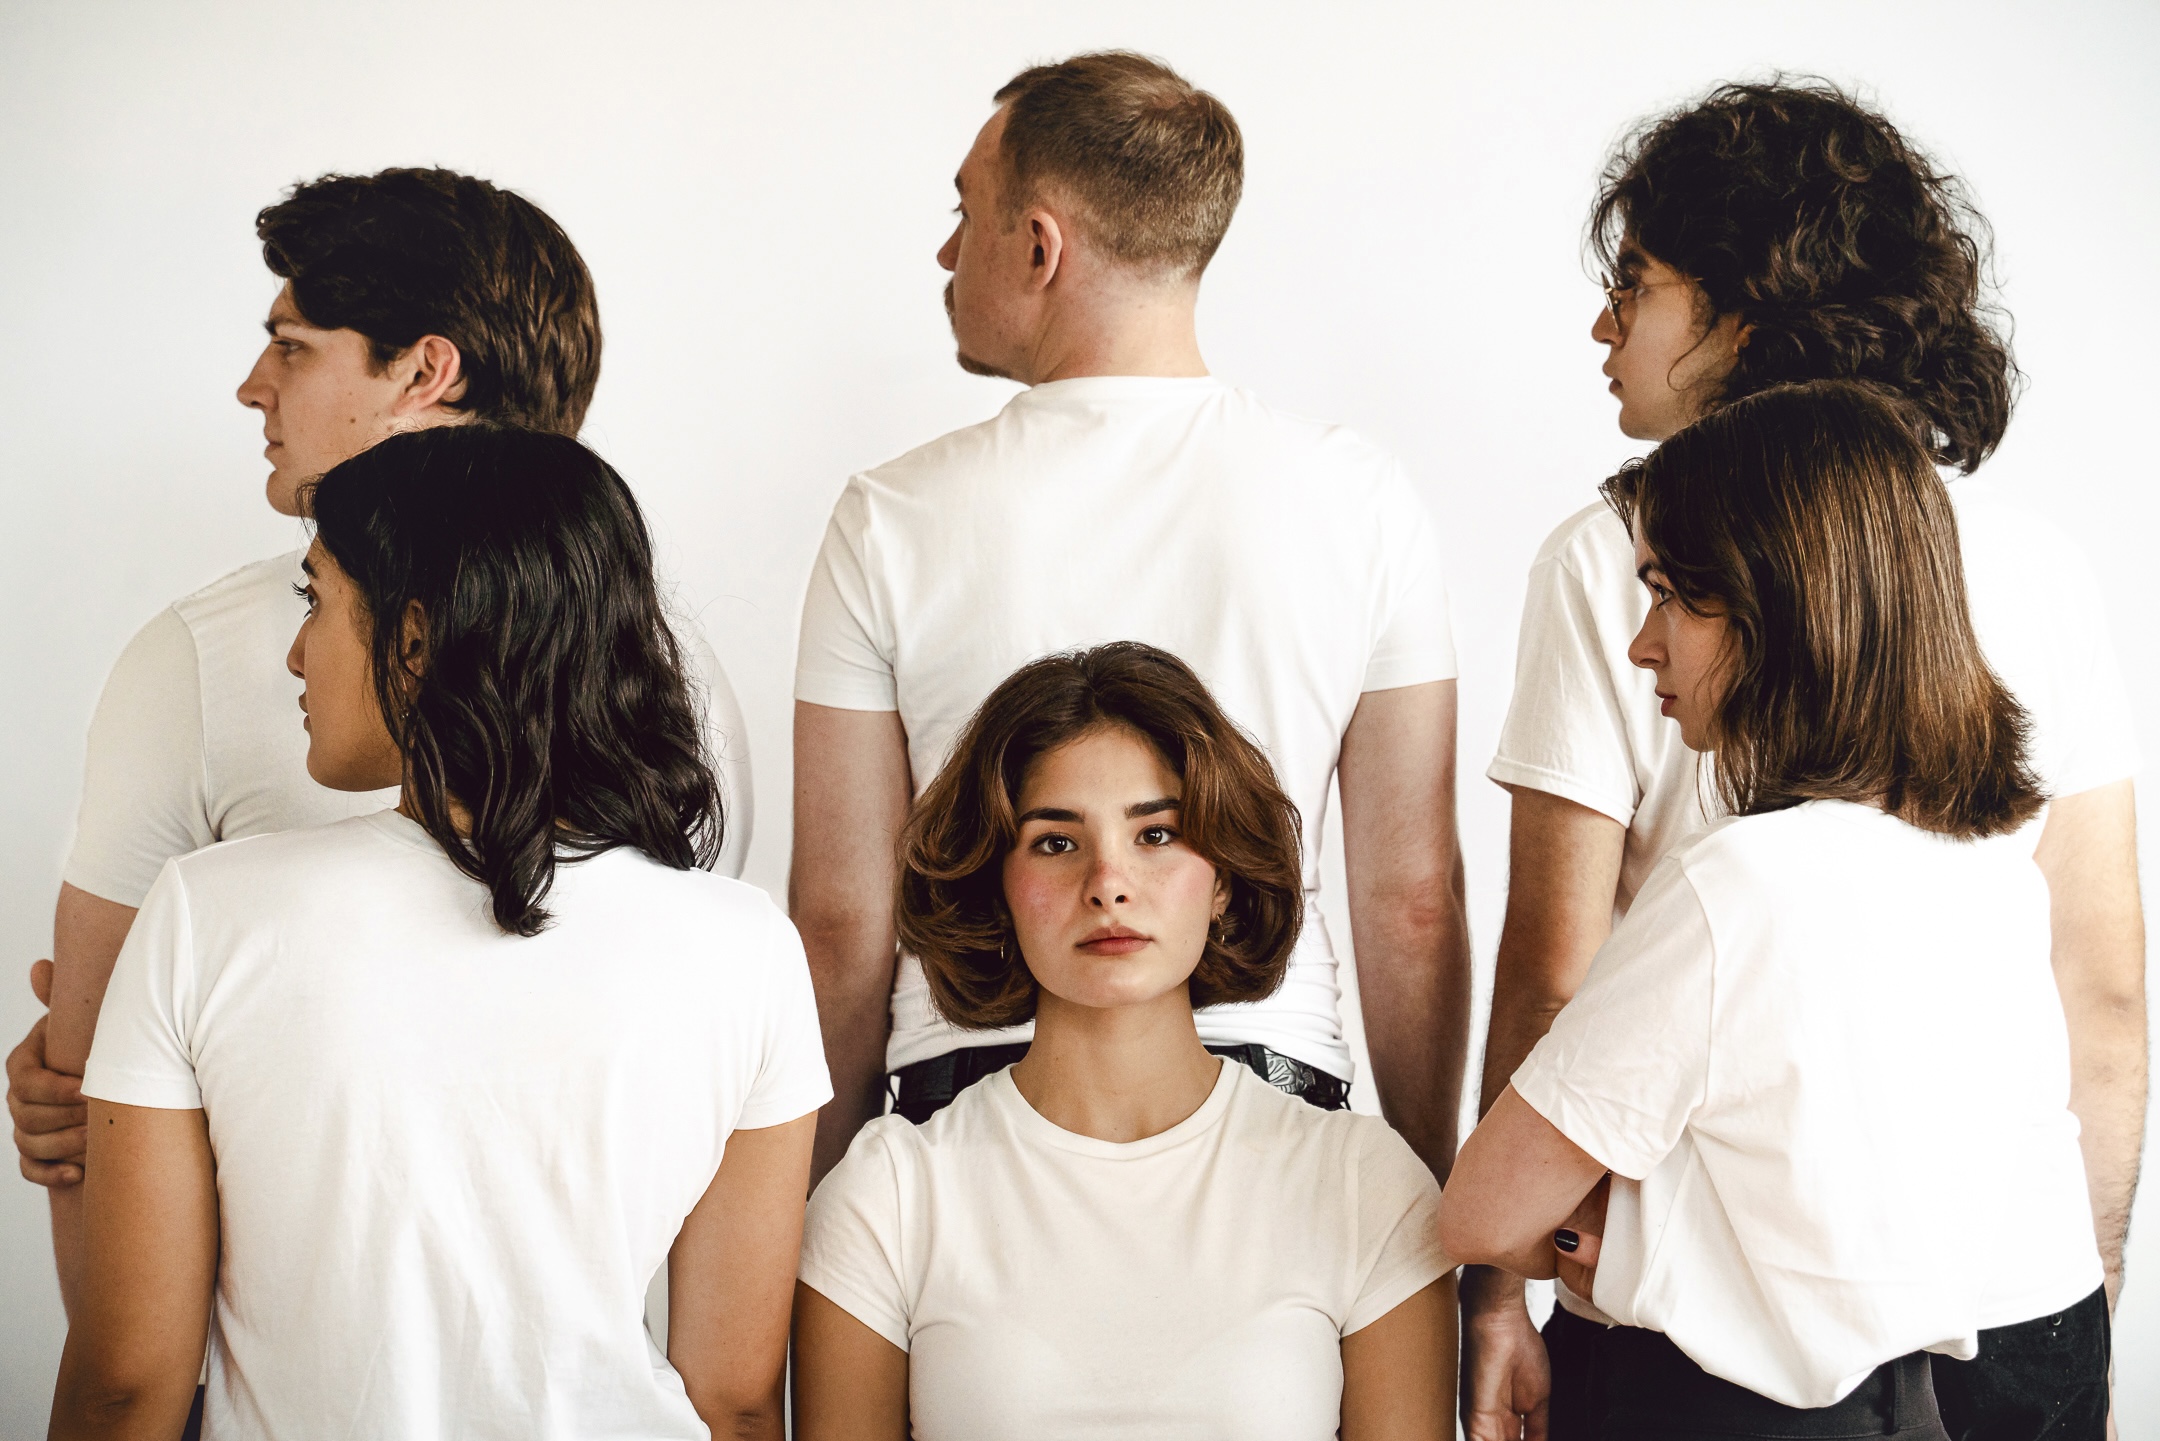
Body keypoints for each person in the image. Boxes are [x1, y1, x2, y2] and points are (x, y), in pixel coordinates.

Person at [1463, 82, 2139, 1441]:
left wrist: (1496, 1292)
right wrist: (2089, 1290)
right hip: (2026, 1298)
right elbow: (2105, 994)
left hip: (1728, 1339)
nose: (1607, 326)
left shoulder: (1621, 553)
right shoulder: (2044, 563)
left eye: (1639, 285)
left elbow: (1555, 969)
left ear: (1747, 312)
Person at [8, 166, 755, 1316]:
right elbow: (85, 1107)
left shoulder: (669, 688)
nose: (252, 386)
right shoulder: (201, 664)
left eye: (294, 346)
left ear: (425, 370)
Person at [48, 426, 828, 1441]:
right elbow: (733, 1396)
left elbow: (127, 1381)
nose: (294, 653)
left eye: (315, 600)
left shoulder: (208, 913)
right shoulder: (745, 948)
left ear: (414, 641)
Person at [793, 51, 1468, 1194]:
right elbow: (1410, 901)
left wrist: (824, 1197)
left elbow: (841, 913)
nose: (950, 252)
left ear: (1041, 245)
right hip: (1270, 1082)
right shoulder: (1358, 496)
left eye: (966, 213)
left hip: (975, 1080)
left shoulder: (891, 516)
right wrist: (1427, 1204)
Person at [792, 642, 1456, 1439]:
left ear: (1223, 880)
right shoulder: (887, 1199)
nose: (1108, 881)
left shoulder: (1365, 1186)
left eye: (1157, 834)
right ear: (994, 887)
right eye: (1055, 841)